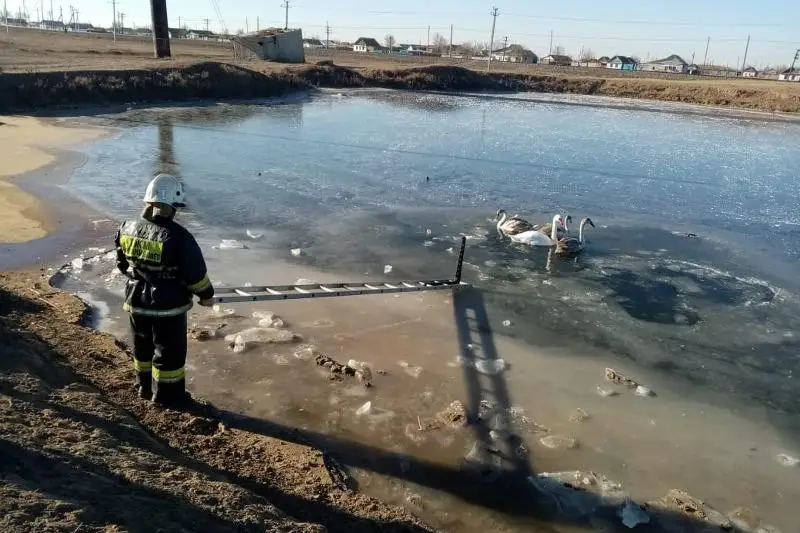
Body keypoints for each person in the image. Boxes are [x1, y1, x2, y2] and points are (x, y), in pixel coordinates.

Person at [114, 173, 215, 408]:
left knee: (142, 346)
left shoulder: (126, 227)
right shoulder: (178, 237)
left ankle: (144, 388)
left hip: (136, 300)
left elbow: (122, 264)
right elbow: (195, 274)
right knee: (169, 354)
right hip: (168, 306)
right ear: (171, 206)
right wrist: (206, 295)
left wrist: (141, 277)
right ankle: (168, 397)